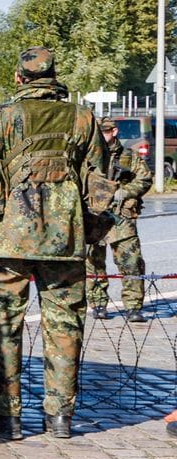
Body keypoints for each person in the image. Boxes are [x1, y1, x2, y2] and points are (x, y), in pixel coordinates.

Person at [0, 46, 105, 440]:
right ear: (55, 77)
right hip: (66, 242)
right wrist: (87, 227)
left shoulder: (6, 117)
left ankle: (6, 416)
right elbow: (100, 179)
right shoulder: (82, 119)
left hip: (10, 240)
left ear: (20, 79)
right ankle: (60, 417)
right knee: (65, 325)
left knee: (4, 326)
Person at [87, 119, 152, 322]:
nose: (101, 136)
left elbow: (144, 179)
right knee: (93, 262)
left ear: (114, 131)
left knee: (130, 262)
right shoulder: (88, 157)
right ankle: (98, 304)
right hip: (94, 214)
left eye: (104, 132)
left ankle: (133, 307)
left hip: (121, 216)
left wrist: (124, 192)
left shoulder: (128, 157)